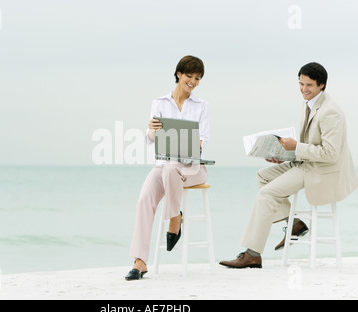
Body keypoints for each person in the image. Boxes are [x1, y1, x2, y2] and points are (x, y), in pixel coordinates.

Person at [220, 62, 358, 268]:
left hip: (322, 171)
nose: (304, 89)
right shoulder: (310, 104)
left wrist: (297, 147)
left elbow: (330, 154)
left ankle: (252, 253)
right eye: (301, 84)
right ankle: (294, 224)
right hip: (307, 164)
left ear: (322, 85)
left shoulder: (330, 112)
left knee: (267, 193)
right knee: (263, 176)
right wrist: (283, 153)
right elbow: (308, 147)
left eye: (309, 85)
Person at [125, 55, 210, 280]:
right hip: (164, 166)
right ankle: (140, 262)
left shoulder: (202, 106)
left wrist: (188, 144)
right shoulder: (159, 103)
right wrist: (152, 130)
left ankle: (174, 219)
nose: (193, 81)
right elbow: (151, 138)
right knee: (144, 199)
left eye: (198, 78)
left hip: (192, 168)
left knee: (173, 167)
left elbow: (202, 142)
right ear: (179, 74)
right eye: (189, 76)